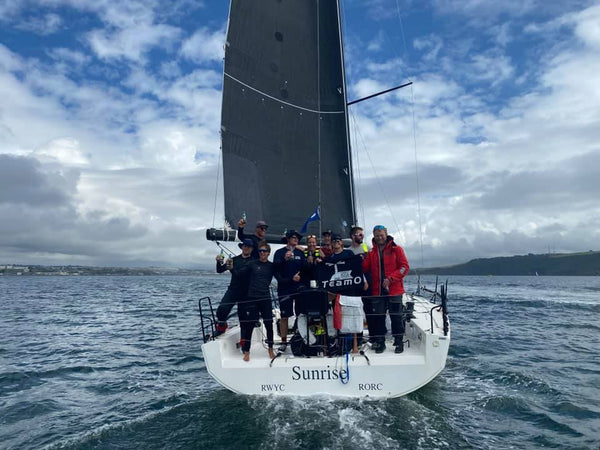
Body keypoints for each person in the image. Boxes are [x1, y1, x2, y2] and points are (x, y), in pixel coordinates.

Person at [362, 225, 410, 354]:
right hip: (377, 291)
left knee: (396, 317)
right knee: (378, 318)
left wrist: (391, 279)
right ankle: (380, 342)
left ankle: (399, 342)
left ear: (386, 234)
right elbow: (364, 268)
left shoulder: (397, 249)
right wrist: (361, 258)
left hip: (394, 290)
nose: (379, 237)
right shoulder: (371, 253)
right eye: (377, 235)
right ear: (374, 236)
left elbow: (404, 267)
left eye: (381, 235)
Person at [238, 241, 276, 361]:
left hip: (265, 298)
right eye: (260, 251)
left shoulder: (271, 266)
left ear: (268, 253)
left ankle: (270, 349)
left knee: (269, 324)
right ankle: (247, 351)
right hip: (252, 298)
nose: (262, 253)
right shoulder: (252, 264)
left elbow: (281, 277)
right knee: (250, 325)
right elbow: (239, 274)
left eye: (264, 251)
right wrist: (230, 267)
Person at [273, 229, 307, 352]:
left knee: (301, 314)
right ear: (287, 239)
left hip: (298, 288)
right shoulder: (279, 252)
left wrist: (301, 277)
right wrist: (284, 259)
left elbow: (305, 269)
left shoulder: (300, 253)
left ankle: (299, 337)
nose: (296, 239)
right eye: (293, 237)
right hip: (284, 288)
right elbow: (275, 268)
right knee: (284, 316)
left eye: (297, 237)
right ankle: (283, 342)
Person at [214, 239, 254, 337]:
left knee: (243, 317)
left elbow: (241, 275)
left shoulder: (254, 262)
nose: (246, 248)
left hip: (246, 292)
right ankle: (222, 327)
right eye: (245, 246)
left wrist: (232, 269)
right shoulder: (235, 260)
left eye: (248, 246)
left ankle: (244, 341)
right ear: (242, 247)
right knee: (221, 310)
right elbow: (219, 270)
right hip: (233, 290)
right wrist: (219, 262)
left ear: (252, 249)